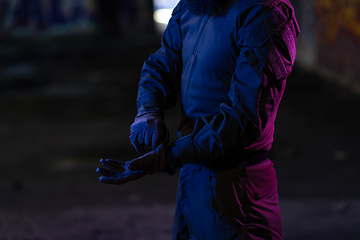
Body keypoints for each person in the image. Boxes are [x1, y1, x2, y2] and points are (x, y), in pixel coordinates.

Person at [97, 0, 300, 239]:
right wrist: (148, 111)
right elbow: (162, 64)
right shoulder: (193, 6)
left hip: (237, 187)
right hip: (192, 174)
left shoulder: (267, 13)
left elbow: (242, 119)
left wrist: (168, 157)